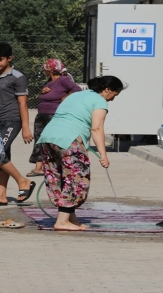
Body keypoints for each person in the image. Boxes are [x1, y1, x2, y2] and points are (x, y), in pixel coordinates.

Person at [37, 75, 125, 231]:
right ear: (107, 90)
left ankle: (70, 218)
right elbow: (97, 128)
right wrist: (103, 155)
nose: (113, 99)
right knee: (76, 178)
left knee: (58, 177)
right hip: (70, 139)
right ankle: (62, 222)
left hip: (48, 137)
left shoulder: (76, 95)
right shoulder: (99, 101)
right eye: (115, 95)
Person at [0, 42, 35, 207]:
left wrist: (26, 127)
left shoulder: (18, 77)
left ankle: (23, 181)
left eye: (0, 59)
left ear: (9, 58)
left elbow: (23, 104)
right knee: (3, 156)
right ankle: (1, 195)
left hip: (13, 120)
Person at [27, 59, 82, 177]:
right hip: (42, 115)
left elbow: (77, 90)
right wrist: (43, 91)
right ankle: (38, 168)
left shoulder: (63, 79)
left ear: (51, 70)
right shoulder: (49, 81)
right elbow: (45, 95)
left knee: (54, 141)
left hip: (54, 114)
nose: (44, 70)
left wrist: (66, 96)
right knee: (40, 139)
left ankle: (60, 165)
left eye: (46, 68)